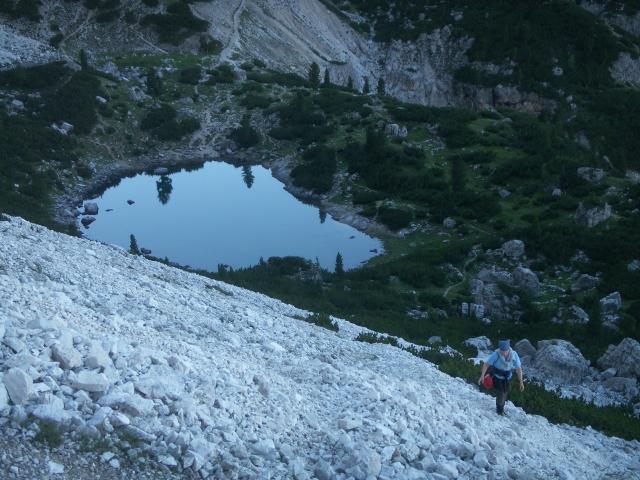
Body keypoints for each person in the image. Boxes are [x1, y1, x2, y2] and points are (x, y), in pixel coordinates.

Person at [478, 340, 524, 415]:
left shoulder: (514, 354)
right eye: (502, 351)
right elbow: (486, 364)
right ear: (500, 349)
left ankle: (500, 407)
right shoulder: (496, 354)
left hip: (507, 377)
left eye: (505, 351)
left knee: (505, 392)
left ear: (508, 349)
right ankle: (499, 410)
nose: (504, 353)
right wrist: (482, 376)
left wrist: (521, 382)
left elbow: (518, 368)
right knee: (501, 394)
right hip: (497, 377)